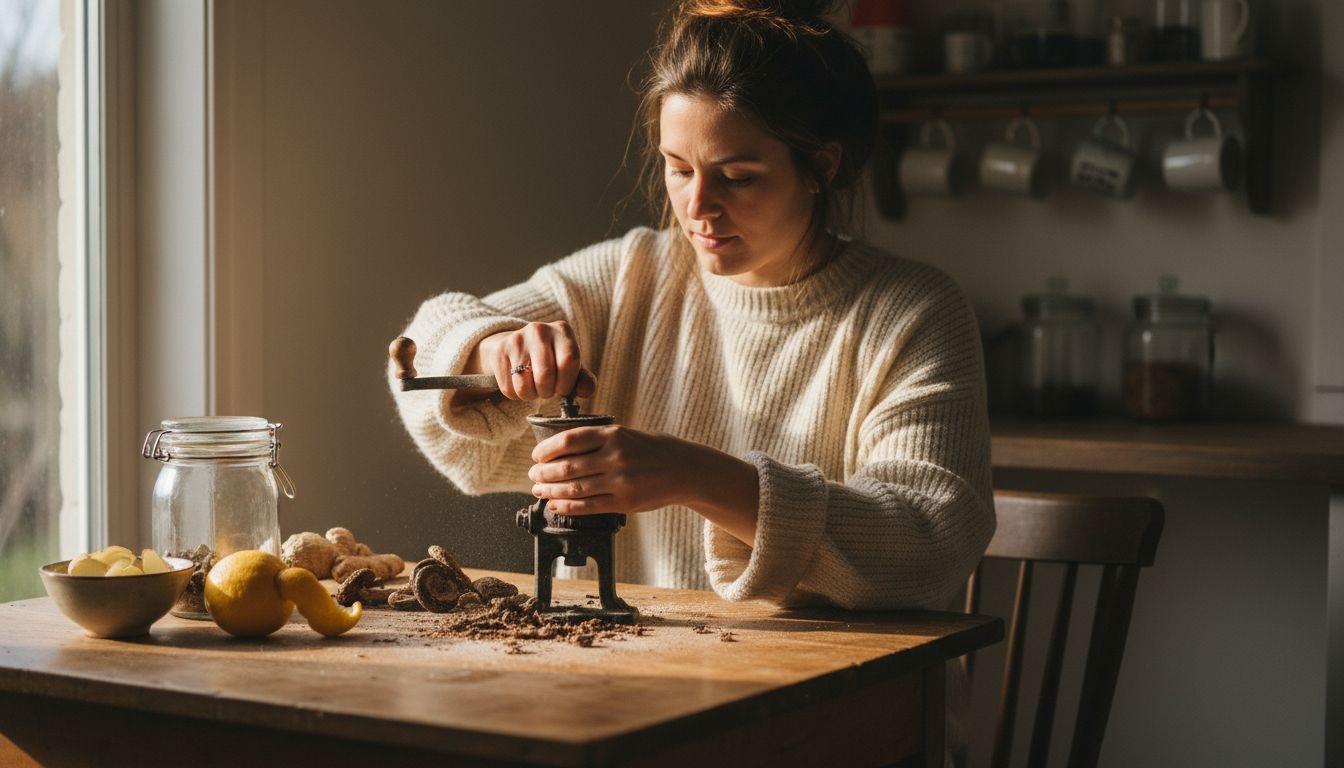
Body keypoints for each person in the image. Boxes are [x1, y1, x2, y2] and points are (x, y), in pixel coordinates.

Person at [392, 0, 992, 639]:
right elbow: (429, 337)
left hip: (839, 704)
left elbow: (930, 538)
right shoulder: (635, 275)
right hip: (622, 683)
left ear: (822, 166)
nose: (698, 205)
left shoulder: (914, 312)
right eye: (679, 169)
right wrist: (492, 350)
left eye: (737, 176)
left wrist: (694, 476)